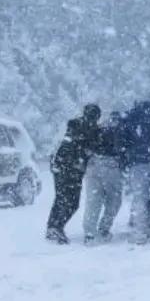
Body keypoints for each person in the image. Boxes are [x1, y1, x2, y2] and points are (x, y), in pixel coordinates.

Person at [46, 103, 101, 244]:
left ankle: (53, 227)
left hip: (62, 167)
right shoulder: (79, 128)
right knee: (70, 201)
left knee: (61, 199)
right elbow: (70, 147)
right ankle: (56, 227)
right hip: (68, 169)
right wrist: (79, 159)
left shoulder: (80, 127)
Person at [121, 98, 150, 244]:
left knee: (139, 198)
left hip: (137, 163)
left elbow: (122, 139)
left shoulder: (131, 117)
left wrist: (126, 158)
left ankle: (139, 232)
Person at [82, 111, 126, 243]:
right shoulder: (119, 130)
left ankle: (89, 233)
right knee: (114, 200)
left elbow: (86, 146)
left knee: (93, 200)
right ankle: (104, 229)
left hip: (93, 166)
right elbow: (123, 149)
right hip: (111, 167)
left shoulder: (98, 129)